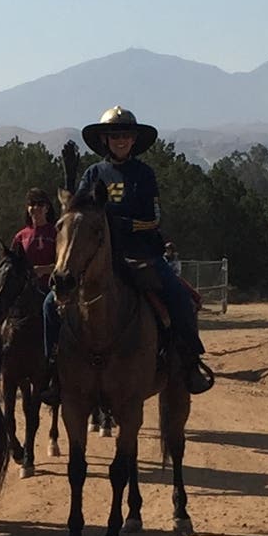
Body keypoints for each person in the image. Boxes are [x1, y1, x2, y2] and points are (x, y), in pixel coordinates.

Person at [70, 107, 216, 394]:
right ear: (105, 140)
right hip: (97, 256)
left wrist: (112, 222)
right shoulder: (92, 173)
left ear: (134, 139)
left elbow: (152, 219)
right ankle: (54, 367)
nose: (120, 140)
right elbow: (78, 213)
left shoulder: (144, 174)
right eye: (115, 135)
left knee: (180, 299)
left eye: (125, 135)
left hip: (141, 254)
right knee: (52, 303)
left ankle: (189, 361)